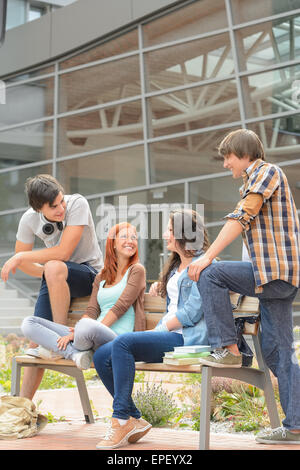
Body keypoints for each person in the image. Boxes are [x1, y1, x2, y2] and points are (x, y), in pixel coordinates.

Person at [188, 129, 300, 445]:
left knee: (211, 274)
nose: (225, 164)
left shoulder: (265, 172)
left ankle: (228, 349)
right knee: (280, 355)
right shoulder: (258, 179)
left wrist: (207, 257)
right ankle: (295, 426)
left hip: (274, 274)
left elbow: (242, 217)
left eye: (228, 157)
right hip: (276, 278)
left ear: (244, 154)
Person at [93, 209, 210, 449]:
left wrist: (161, 327)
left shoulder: (204, 264)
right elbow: (176, 302)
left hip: (187, 339)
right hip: (170, 334)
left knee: (124, 343)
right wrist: (162, 287)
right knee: (101, 355)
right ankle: (133, 418)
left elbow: (193, 312)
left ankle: (120, 420)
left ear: (181, 234)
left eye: (169, 230)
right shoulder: (177, 266)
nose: (165, 235)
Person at [0, 174, 103, 399]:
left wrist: (23, 258)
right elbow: (27, 263)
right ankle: (23, 407)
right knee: (36, 342)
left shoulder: (78, 204)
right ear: (38, 208)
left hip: (89, 275)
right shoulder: (28, 219)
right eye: (54, 206)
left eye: (61, 201)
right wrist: (48, 273)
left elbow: (63, 253)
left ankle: (60, 346)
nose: (61, 208)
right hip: (57, 276)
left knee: (55, 265)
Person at [21, 222, 146, 369]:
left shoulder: (137, 270)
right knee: (29, 323)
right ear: (112, 243)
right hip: (91, 333)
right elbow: (92, 311)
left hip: (118, 338)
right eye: (124, 236)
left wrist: (83, 329)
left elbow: (121, 307)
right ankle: (75, 354)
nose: (130, 241)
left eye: (134, 237)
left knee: (86, 326)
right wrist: (80, 329)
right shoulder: (101, 276)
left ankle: (62, 349)